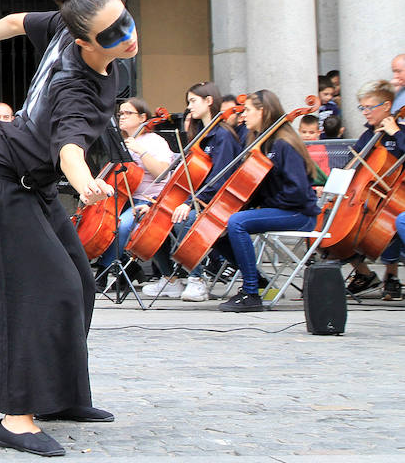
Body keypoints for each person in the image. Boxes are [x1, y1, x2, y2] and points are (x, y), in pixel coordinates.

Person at [0, 0, 137, 457]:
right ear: (84, 40)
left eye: (127, 21)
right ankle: (16, 418)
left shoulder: (64, 24)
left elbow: (16, 20)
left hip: (28, 184)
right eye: (114, 34)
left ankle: (63, 396)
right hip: (1, 182)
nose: (128, 36)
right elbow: (70, 151)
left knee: (79, 280)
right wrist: (85, 185)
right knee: (45, 288)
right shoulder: (75, 84)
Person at [205, 90, 320, 312]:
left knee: (237, 222)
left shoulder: (283, 144)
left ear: (263, 111)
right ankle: (258, 280)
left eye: (247, 110)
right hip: (281, 208)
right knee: (217, 228)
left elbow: (297, 192)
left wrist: (267, 204)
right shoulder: (264, 143)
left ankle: (251, 293)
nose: (242, 116)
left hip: (299, 214)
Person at [141, 81, 243, 302]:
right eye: (188, 102)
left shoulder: (222, 135)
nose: (189, 107)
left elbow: (219, 180)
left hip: (220, 202)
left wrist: (189, 203)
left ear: (209, 101)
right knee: (153, 215)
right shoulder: (201, 135)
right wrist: (156, 201)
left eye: (193, 101)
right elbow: (188, 180)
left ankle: (197, 280)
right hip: (202, 199)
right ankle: (170, 278)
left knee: (184, 219)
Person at [95, 98, 174, 281]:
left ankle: (104, 271)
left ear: (142, 117)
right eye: (120, 113)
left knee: (121, 226)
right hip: (125, 198)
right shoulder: (122, 142)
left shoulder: (155, 141)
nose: (122, 117)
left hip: (149, 200)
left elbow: (162, 173)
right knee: (102, 225)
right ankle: (129, 269)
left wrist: (141, 151)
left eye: (127, 113)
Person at [342, 80, 404, 300]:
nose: (365, 112)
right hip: (370, 196)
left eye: (369, 107)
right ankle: (364, 274)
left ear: (387, 106)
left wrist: (396, 132)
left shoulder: (400, 132)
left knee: (390, 219)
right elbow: (352, 162)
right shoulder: (368, 136)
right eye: (362, 108)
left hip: (396, 196)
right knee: (339, 228)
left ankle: (392, 276)